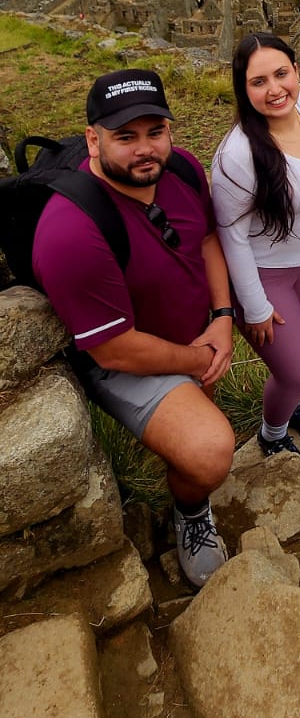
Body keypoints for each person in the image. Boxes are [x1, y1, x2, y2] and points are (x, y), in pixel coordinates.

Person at [33, 70, 235, 588]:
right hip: (124, 359)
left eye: (155, 131)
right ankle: (191, 512)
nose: (145, 149)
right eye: (126, 136)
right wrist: (200, 360)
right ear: (93, 139)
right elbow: (115, 350)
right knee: (211, 452)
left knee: (201, 433)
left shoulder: (184, 169)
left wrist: (222, 320)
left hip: (197, 335)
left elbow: (207, 240)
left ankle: (186, 469)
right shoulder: (69, 231)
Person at [211, 32, 300, 457]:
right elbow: (231, 234)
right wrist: (256, 306)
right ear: (243, 90)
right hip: (266, 276)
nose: (275, 89)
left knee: (286, 369)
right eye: (259, 82)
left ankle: (286, 406)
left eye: (281, 74)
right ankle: (272, 434)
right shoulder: (239, 155)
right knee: (299, 371)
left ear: (297, 71)